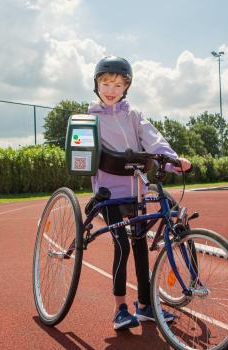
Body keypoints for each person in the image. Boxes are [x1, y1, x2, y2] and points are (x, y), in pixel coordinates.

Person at [87, 56, 192, 330]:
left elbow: (153, 138)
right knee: (121, 244)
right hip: (109, 193)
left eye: (118, 85)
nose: (111, 89)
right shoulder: (90, 118)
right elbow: (82, 152)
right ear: (96, 84)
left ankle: (145, 306)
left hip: (136, 191)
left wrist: (173, 159)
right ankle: (119, 308)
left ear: (126, 88)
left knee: (140, 245)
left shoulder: (133, 115)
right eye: (106, 83)